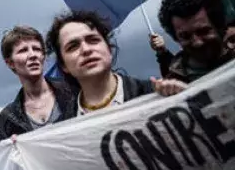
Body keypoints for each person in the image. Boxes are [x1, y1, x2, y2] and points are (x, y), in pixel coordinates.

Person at [46, 10, 187, 119]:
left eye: (93, 40)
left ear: (109, 50)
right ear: (64, 65)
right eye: (73, 46)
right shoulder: (64, 127)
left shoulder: (153, 94)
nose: (86, 49)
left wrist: (184, 98)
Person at [0, 26, 76, 136]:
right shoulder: (8, 118)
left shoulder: (73, 90)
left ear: (43, 56)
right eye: (23, 50)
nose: (32, 55)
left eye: (37, 49)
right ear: (10, 63)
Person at [157, 0, 235, 83]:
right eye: (185, 36)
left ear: (219, 26)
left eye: (203, 31)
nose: (197, 42)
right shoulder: (175, 84)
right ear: (176, 39)